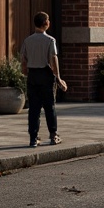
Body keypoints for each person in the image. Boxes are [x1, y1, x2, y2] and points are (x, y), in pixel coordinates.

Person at [18, 11, 66, 147]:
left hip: (33, 75)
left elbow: (23, 60)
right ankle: (53, 135)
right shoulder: (50, 40)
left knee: (34, 108)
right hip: (46, 75)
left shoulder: (27, 40)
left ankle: (33, 138)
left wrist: (25, 72)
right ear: (45, 23)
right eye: (48, 20)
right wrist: (58, 78)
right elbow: (53, 59)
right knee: (49, 106)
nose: (49, 22)